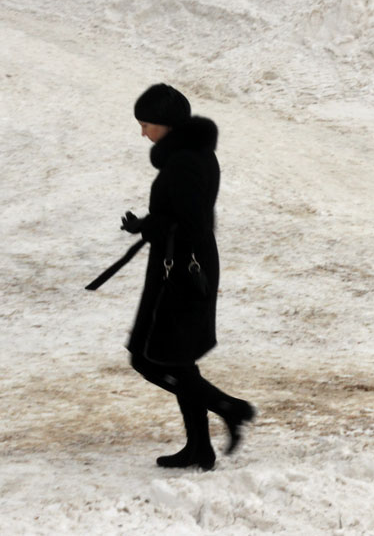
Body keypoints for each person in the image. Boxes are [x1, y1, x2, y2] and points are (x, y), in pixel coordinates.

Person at [121, 83, 254, 470]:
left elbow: (191, 222)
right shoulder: (191, 154)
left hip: (181, 270)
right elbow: (182, 214)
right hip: (178, 264)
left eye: (146, 124)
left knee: (150, 360)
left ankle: (231, 408)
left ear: (166, 124)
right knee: (176, 362)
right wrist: (146, 224)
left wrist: (153, 226)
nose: (143, 132)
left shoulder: (185, 162)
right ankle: (200, 447)